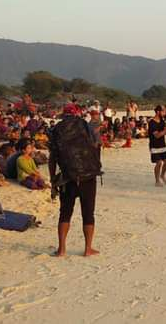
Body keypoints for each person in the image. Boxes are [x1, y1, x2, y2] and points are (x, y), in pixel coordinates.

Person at [49, 103, 103, 257]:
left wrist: (53, 179)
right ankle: (87, 249)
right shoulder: (85, 126)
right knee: (88, 213)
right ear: (77, 114)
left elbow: (52, 158)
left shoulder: (56, 130)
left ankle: (61, 249)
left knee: (65, 212)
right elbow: (97, 145)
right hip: (88, 175)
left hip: (67, 177)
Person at [148, 105, 166, 187]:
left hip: (163, 145)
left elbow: (164, 129)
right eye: (163, 111)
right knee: (159, 163)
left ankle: (162, 175)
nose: (165, 113)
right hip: (154, 146)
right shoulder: (152, 123)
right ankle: (157, 181)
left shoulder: (162, 120)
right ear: (158, 112)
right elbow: (157, 135)